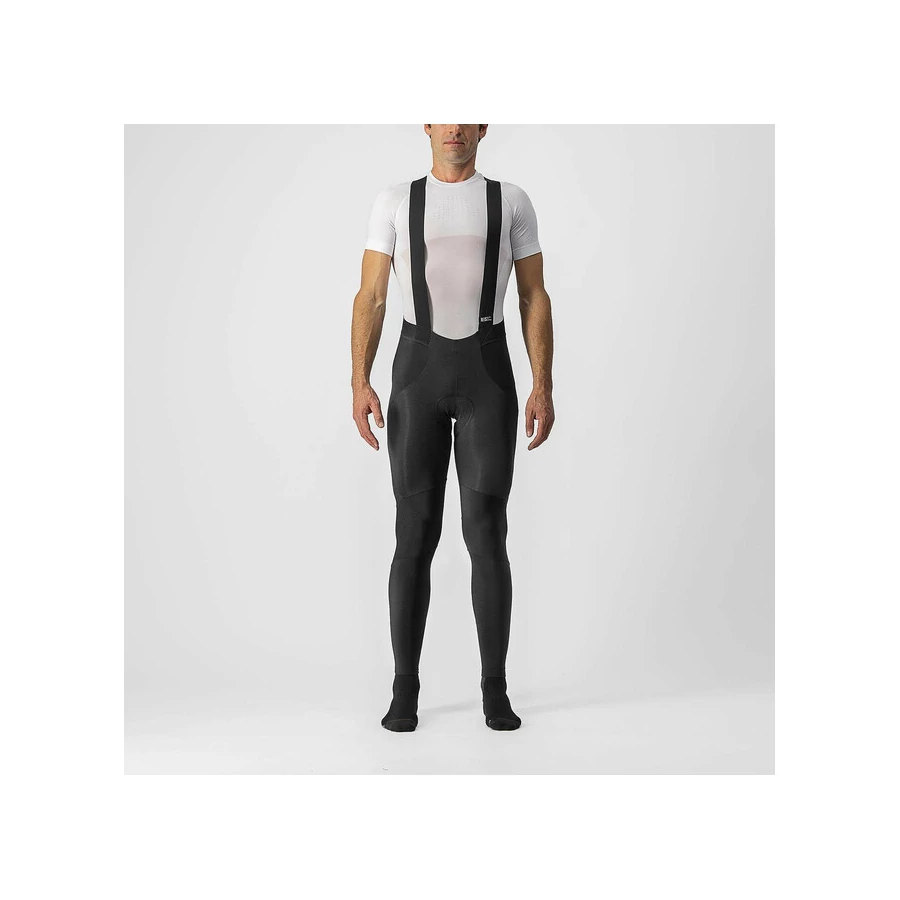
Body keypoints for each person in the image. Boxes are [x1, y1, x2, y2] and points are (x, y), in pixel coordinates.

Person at [350, 124, 555, 732]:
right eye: (444, 115)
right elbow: (371, 295)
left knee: (486, 533)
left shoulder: (510, 201)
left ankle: (495, 690)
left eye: (468, 115)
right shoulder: (395, 201)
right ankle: (404, 691)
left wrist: (542, 384)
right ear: (428, 124)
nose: (456, 128)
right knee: (413, 534)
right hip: (418, 375)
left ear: (484, 125)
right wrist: (360, 381)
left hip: (488, 375)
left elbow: (534, 296)